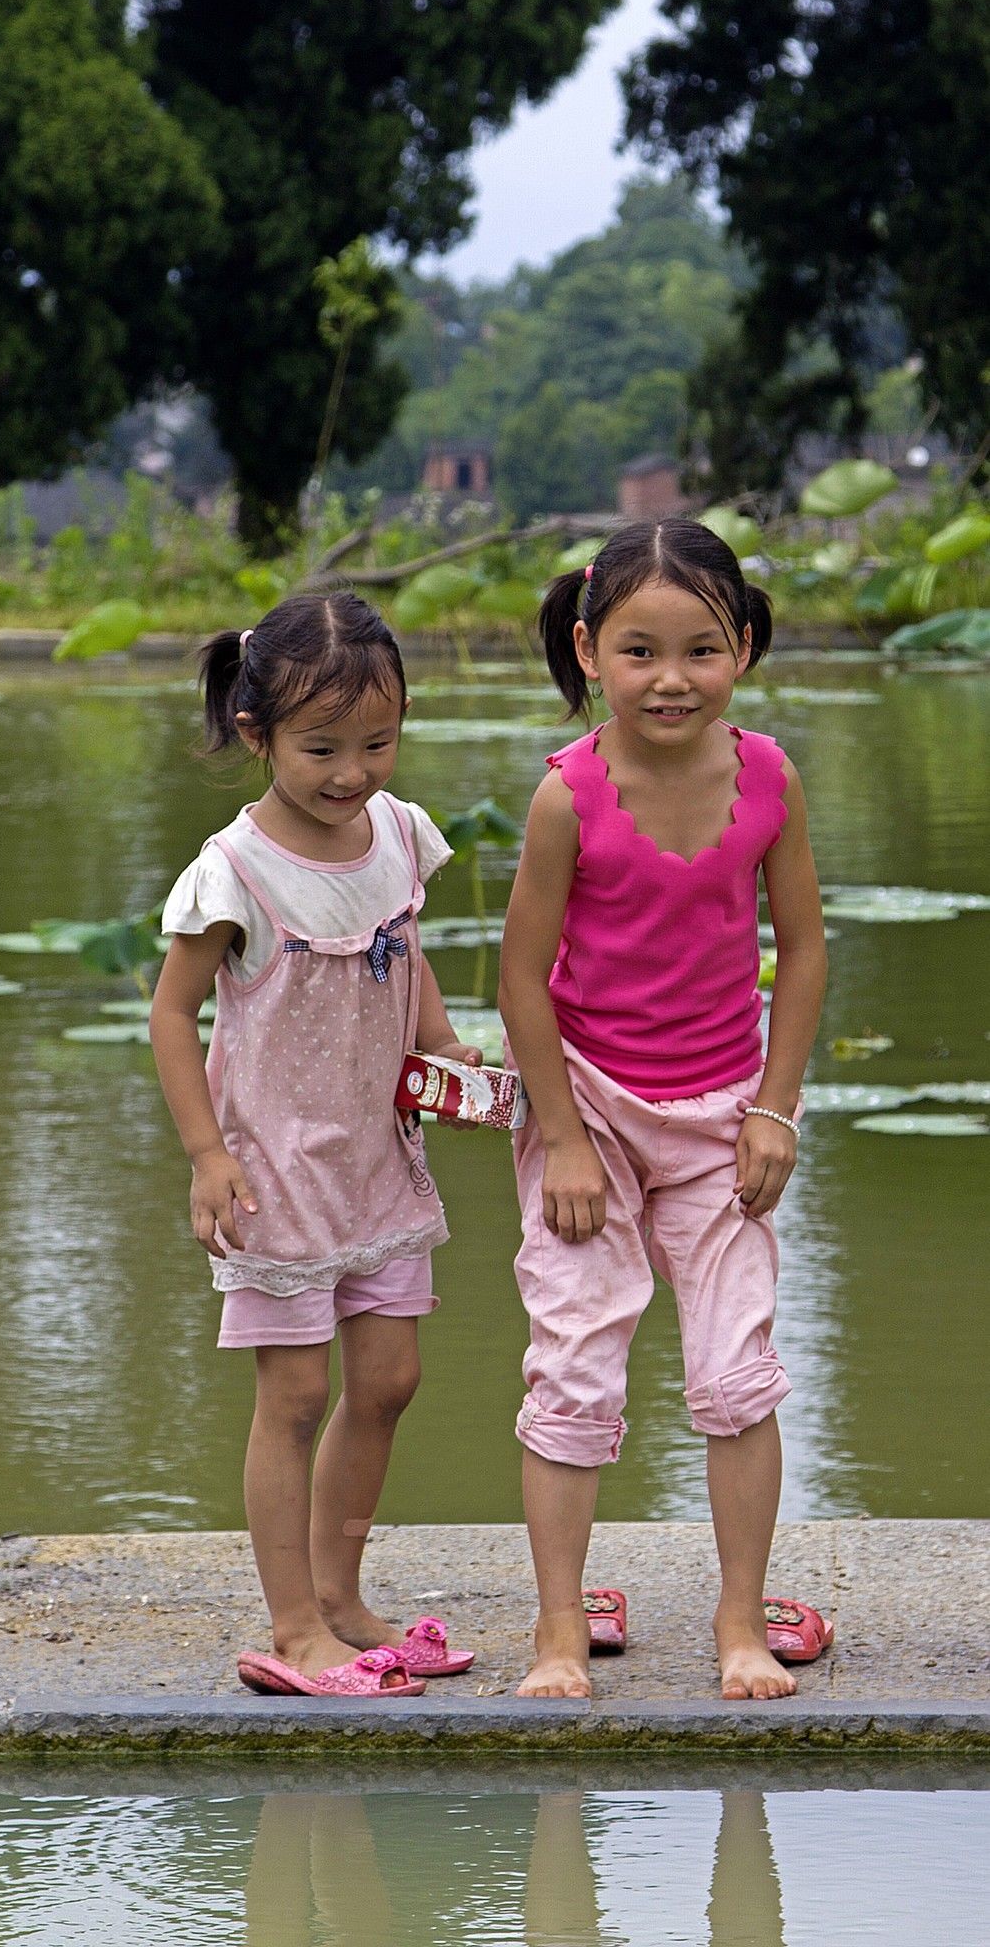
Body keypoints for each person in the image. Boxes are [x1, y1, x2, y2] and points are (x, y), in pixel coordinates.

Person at [498, 517, 829, 1702]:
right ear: (589, 651)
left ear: (741, 645)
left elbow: (800, 949)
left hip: (722, 1120)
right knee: (575, 1368)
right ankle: (553, 1632)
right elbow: (519, 981)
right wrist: (570, 1141)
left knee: (738, 1370)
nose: (671, 678)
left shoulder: (769, 777)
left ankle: (741, 1624)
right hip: (585, 1110)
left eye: (699, 648)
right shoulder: (565, 797)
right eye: (639, 651)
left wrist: (775, 1111)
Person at [150, 590, 480, 1697]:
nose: (353, 772)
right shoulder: (232, 870)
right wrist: (206, 1154)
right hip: (274, 1172)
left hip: (376, 1156)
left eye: (376, 743)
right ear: (257, 734)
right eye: (322, 748)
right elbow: (170, 1014)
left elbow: (409, 955)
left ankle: (343, 1594)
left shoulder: (397, 831)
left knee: (388, 1376)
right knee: (291, 1395)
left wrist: (444, 1057)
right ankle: (293, 1627)